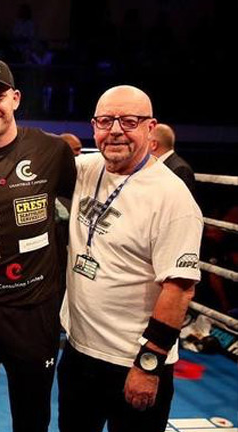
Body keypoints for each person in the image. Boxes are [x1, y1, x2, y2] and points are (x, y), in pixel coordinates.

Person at [58, 85, 203, 432]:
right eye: (106, 121)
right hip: (78, 353)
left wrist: (148, 365)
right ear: (93, 126)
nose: (116, 130)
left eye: (129, 121)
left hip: (133, 361)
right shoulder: (86, 168)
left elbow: (179, 289)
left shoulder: (172, 198)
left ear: (150, 129)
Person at [0, 57, 77, 432]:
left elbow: (79, 208)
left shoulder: (52, 151)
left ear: (16, 98)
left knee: (33, 417)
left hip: (35, 312)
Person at [149, 123, 196, 196]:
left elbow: (179, 202)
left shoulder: (180, 169)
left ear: (153, 145)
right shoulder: (158, 165)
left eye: (146, 140)